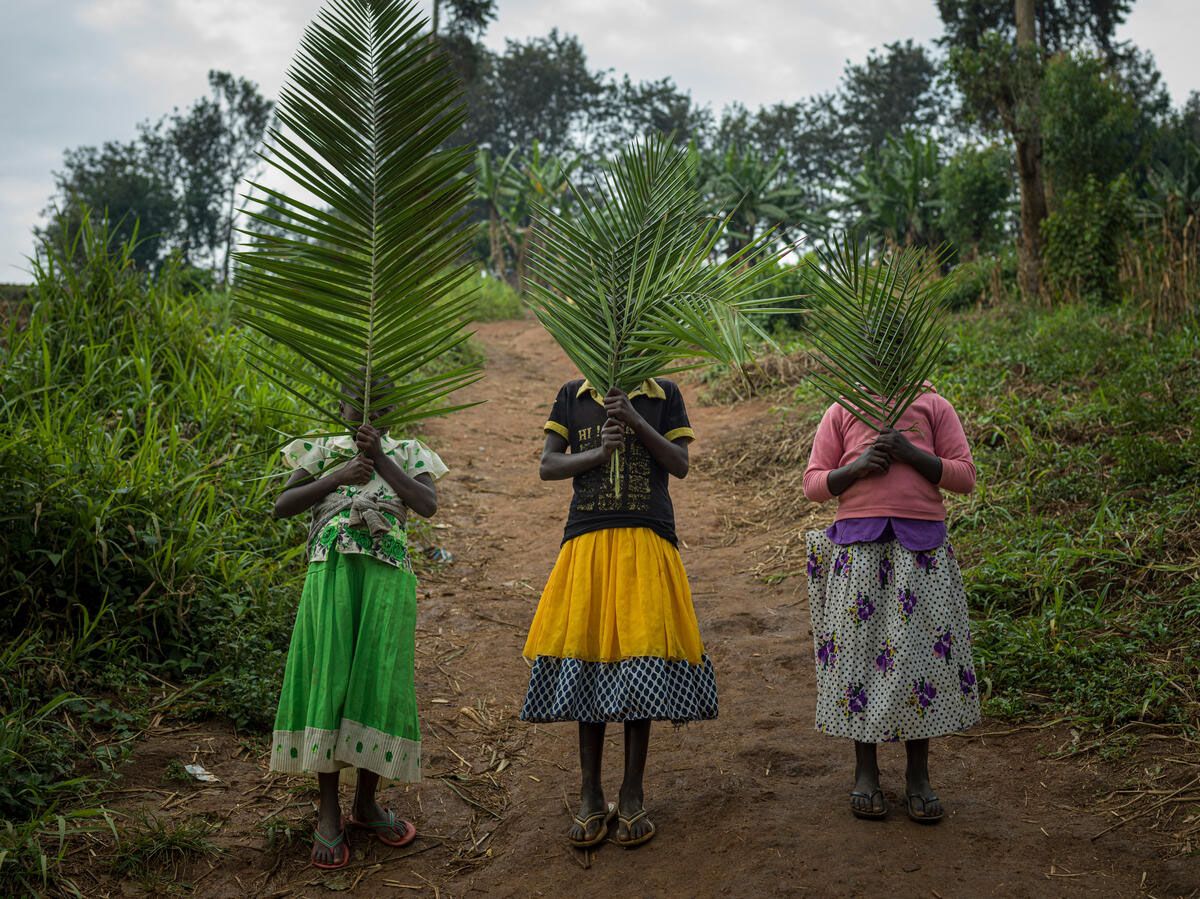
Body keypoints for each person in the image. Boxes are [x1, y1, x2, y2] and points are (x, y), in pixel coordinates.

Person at [521, 377, 718, 849]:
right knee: (588, 661)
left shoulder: (662, 395)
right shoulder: (572, 394)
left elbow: (681, 464)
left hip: (647, 537)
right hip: (587, 540)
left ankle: (632, 793)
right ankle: (591, 794)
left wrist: (634, 420)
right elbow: (549, 466)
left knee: (640, 662)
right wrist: (597, 455)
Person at [270, 378, 447, 868]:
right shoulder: (322, 449)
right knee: (331, 679)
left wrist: (382, 460)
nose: (367, 408)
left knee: (377, 679)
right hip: (330, 573)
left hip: (387, 577)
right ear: (339, 405)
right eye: (356, 399)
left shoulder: (410, 452)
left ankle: (367, 804)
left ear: (395, 409)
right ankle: (329, 814)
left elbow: (427, 505)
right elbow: (283, 506)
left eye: (381, 401)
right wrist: (338, 475)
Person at [802, 383, 979, 823]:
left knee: (919, 662)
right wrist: (860, 467)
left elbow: (965, 476)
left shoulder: (934, 405)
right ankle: (866, 772)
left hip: (920, 553)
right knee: (858, 660)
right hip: (859, 552)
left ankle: (918, 776)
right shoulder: (842, 409)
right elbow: (814, 484)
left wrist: (909, 452)